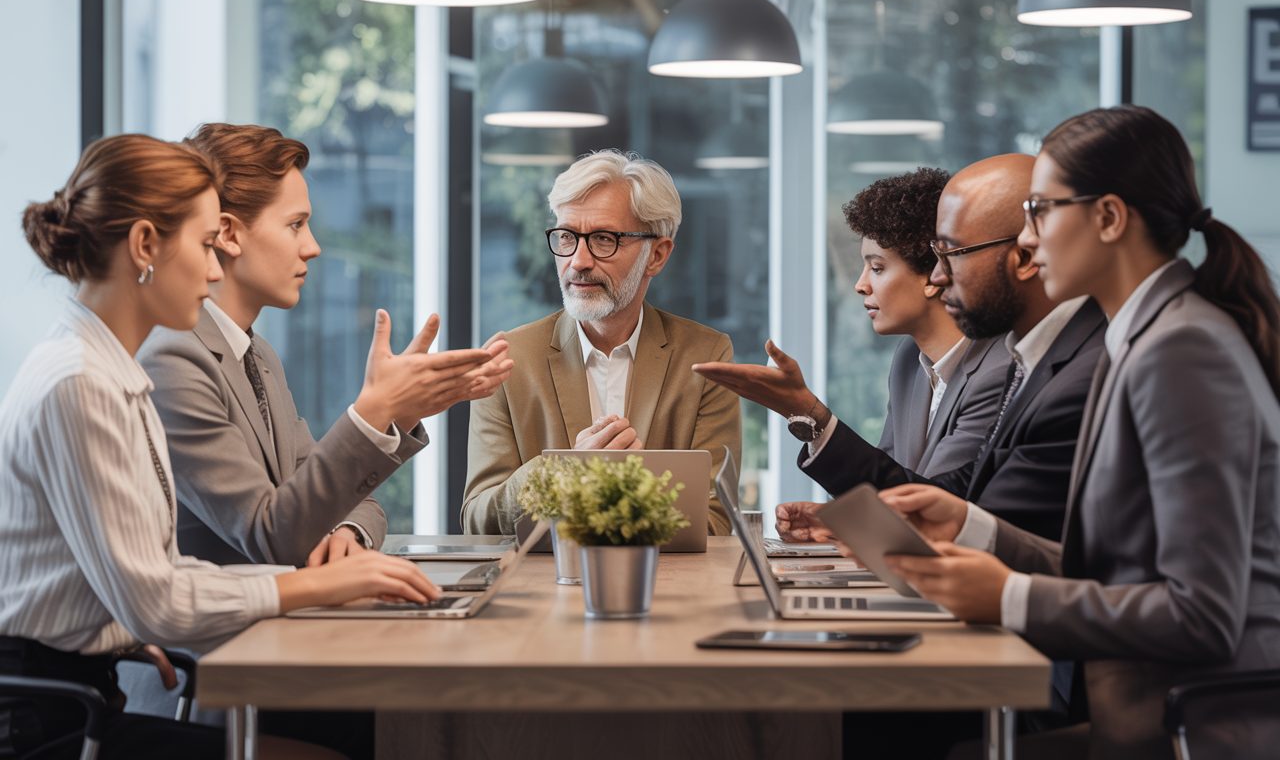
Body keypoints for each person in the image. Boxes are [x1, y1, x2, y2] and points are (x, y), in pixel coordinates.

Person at [0, 134, 439, 759]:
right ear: (145, 246)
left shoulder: (107, 368)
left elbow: (149, 576)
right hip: (55, 722)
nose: (215, 269)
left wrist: (112, 627)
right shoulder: (81, 382)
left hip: (82, 693)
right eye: (206, 246)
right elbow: (158, 596)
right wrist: (318, 586)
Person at [884, 106, 1280, 760]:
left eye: (1040, 211)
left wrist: (1010, 596)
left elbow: (1201, 616)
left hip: (1200, 733)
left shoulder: (1181, 350)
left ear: (1108, 218)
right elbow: (1111, 572)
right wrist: (970, 525)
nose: (1028, 242)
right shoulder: (1144, 338)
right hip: (1151, 721)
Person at [138, 123, 513, 568]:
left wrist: (348, 530)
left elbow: (334, 496)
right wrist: (377, 410)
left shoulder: (257, 356)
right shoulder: (174, 360)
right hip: (226, 635)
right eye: (295, 225)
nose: (312, 247)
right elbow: (271, 534)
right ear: (229, 235)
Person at [761, 154, 1107, 543]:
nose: (941, 274)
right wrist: (853, 521)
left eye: (952, 254)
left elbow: (958, 505)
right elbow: (950, 496)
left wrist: (811, 414)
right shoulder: (916, 360)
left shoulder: (1041, 366)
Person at [463, 150, 741, 535]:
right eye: (566, 237)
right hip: (539, 591)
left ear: (656, 255)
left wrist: (628, 488)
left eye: (603, 239)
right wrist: (563, 474)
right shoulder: (509, 361)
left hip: (664, 590)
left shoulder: (706, 357)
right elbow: (478, 522)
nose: (578, 260)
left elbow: (717, 522)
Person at [692, 167, 1009, 479]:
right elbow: (885, 481)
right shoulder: (908, 361)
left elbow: (931, 503)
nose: (861, 284)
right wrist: (832, 518)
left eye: (878, 267)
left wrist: (809, 413)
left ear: (933, 274)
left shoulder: (997, 373)